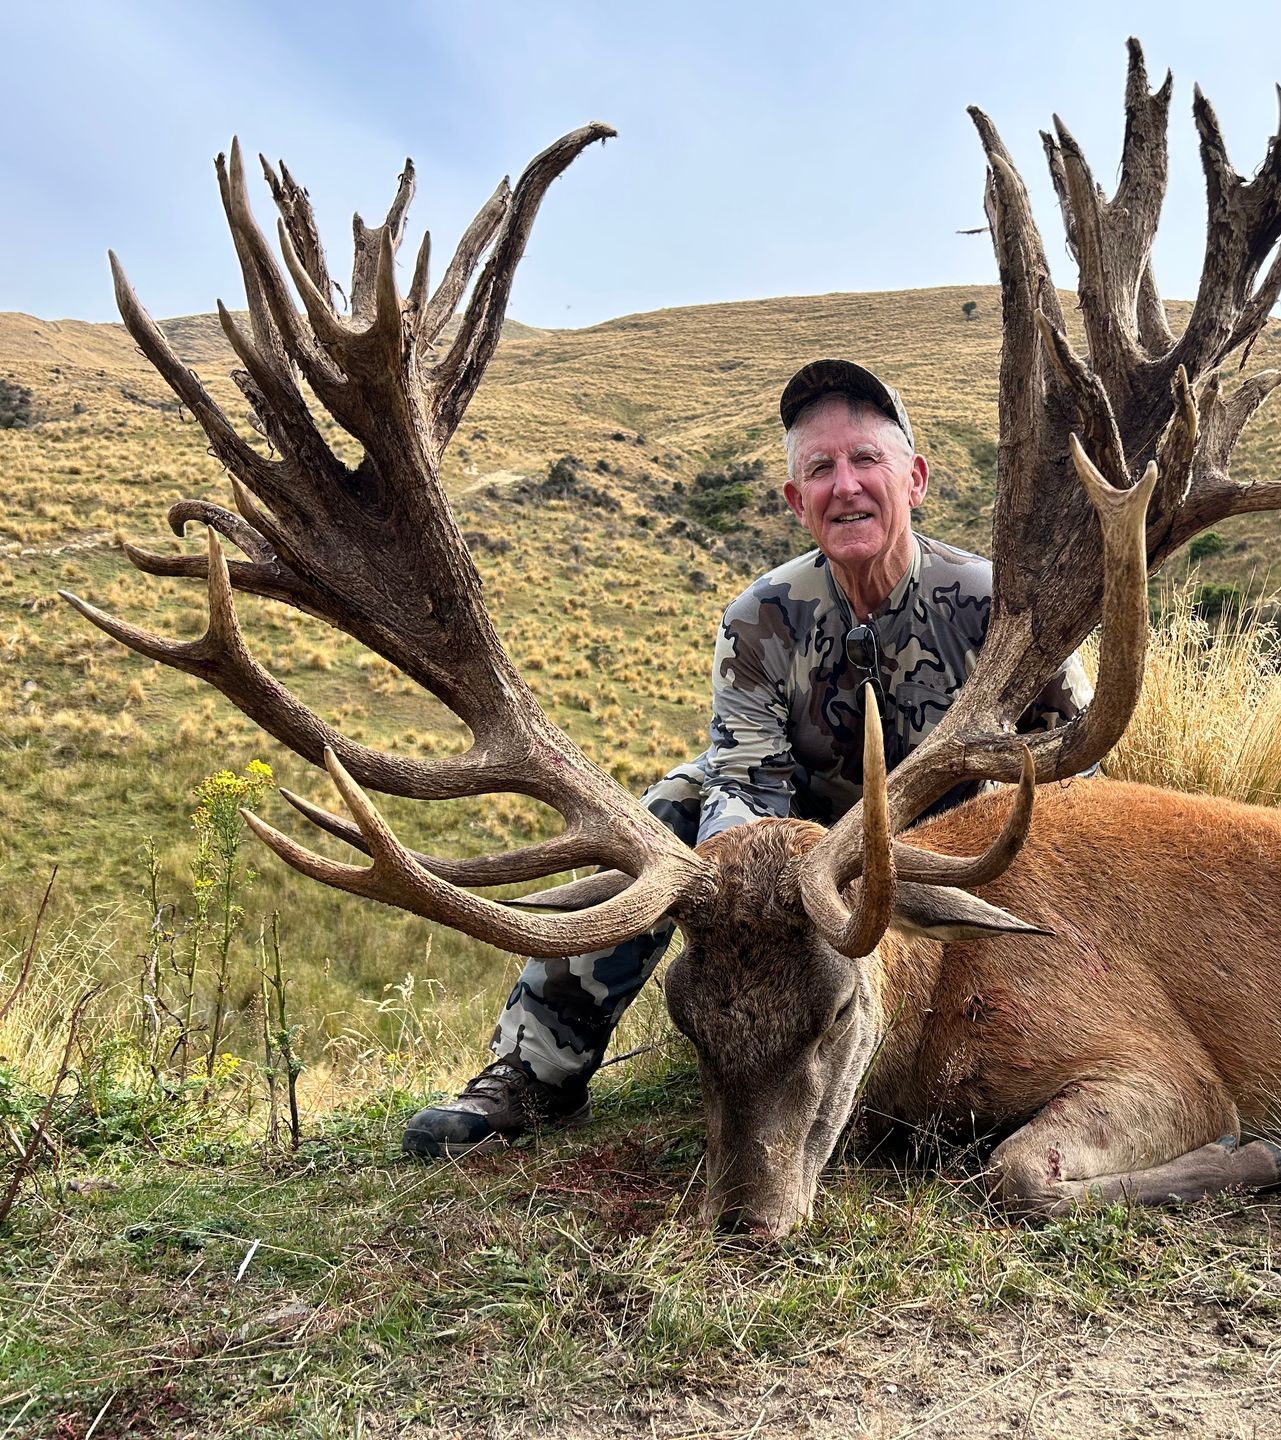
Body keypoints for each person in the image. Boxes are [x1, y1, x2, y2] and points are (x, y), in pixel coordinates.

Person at [403, 359, 1090, 1157]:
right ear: (798, 502)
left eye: (866, 459)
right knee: (666, 814)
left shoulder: (999, 606)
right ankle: (533, 1072)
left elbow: (1072, 779)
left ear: (917, 477)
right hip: (801, 859)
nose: (846, 485)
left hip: (958, 852)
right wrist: (755, 887)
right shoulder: (761, 619)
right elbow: (741, 780)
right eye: (820, 469)